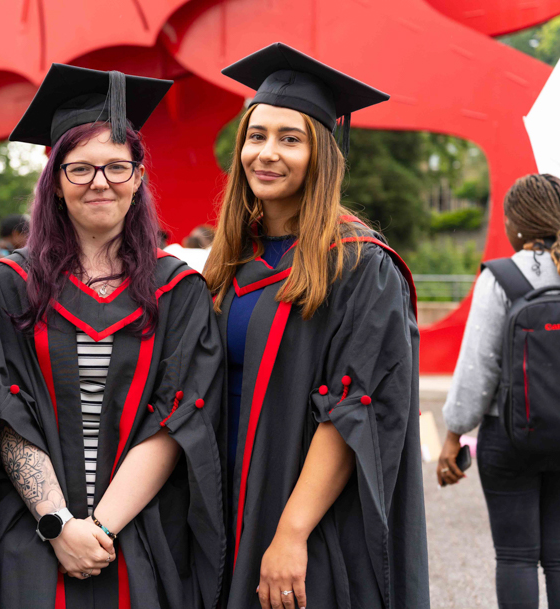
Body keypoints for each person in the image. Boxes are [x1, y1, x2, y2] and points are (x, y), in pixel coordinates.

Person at [0, 63, 225, 608]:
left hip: (141, 534)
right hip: (33, 531)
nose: (100, 182)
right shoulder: (9, 286)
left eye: (117, 167)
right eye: (80, 169)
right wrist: (59, 524)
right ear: (56, 182)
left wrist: (101, 529)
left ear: (137, 179)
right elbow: (2, 407)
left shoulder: (178, 290)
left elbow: (176, 416)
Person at [205, 43, 428, 609]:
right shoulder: (231, 261)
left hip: (306, 515)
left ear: (322, 154)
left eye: (290, 138)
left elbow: (355, 408)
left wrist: (291, 533)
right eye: (257, 136)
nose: (267, 153)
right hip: (224, 498)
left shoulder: (359, 264)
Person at [439, 173, 560, 608]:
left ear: (519, 223)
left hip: (509, 435)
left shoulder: (502, 277)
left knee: (516, 557)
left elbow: (478, 368)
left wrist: (454, 434)